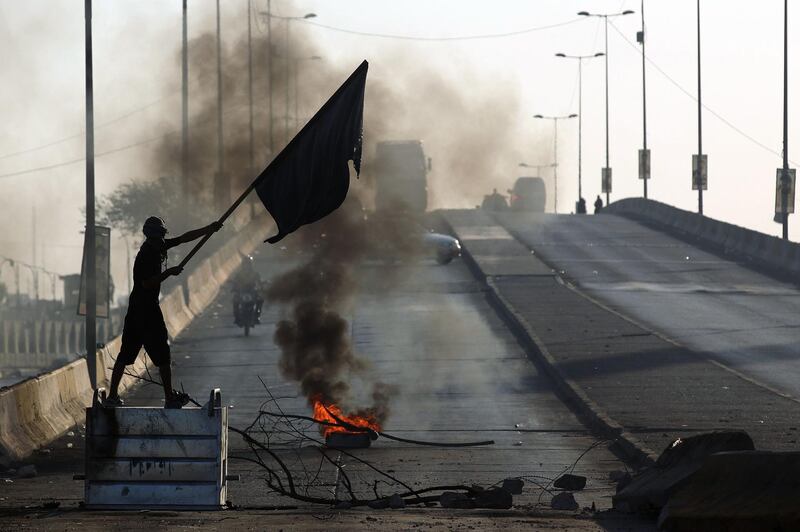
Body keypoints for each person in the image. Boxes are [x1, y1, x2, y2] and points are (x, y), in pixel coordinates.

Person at [105, 216, 222, 408]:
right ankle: (163, 398)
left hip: (139, 310)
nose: (163, 239)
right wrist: (169, 273)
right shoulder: (145, 255)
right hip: (145, 311)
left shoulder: (157, 246)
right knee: (158, 356)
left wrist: (209, 228)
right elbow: (146, 283)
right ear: (152, 236)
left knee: (129, 355)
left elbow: (183, 238)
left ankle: (113, 397)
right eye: (160, 235)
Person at [232, 255, 263, 325]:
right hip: (242, 291)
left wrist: (261, 288)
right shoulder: (239, 274)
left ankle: (257, 316)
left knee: (260, 299)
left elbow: (259, 282)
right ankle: (237, 317)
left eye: (248, 264)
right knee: (235, 300)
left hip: (252, 291)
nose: (246, 266)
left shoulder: (255, 274)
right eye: (245, 264)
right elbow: (235, 282)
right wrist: (234, 288)